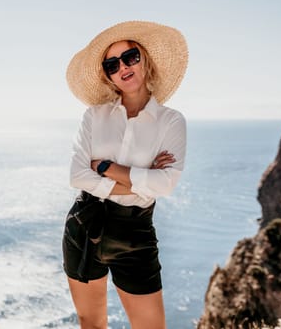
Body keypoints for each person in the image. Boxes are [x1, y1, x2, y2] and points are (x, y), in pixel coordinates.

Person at [62, 21, 188, 329]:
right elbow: (77, 176)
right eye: (112, 64)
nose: (123, 67)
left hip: (135, 235)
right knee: (91, 325)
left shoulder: (171, 122)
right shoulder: (94, 116)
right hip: (84, 226)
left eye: (130, 56)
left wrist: (105, 168)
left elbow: (166, 184)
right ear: (108, 75)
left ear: (144, 59)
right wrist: (140, 182)